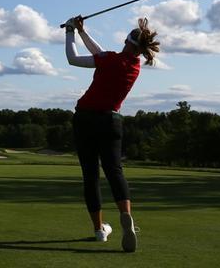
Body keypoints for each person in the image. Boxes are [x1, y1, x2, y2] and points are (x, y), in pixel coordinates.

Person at [64, 15, 159, 253]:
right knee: (114, 171)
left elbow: (73, 59)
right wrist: (82, 32)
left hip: (85, 118)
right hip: (111, 121)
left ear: (126, 41)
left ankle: (99, 231)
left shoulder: (109, 60)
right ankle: (126, 216)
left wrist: (69, 32)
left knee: (91, 175)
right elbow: (101, 54)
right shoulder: (133, 66)